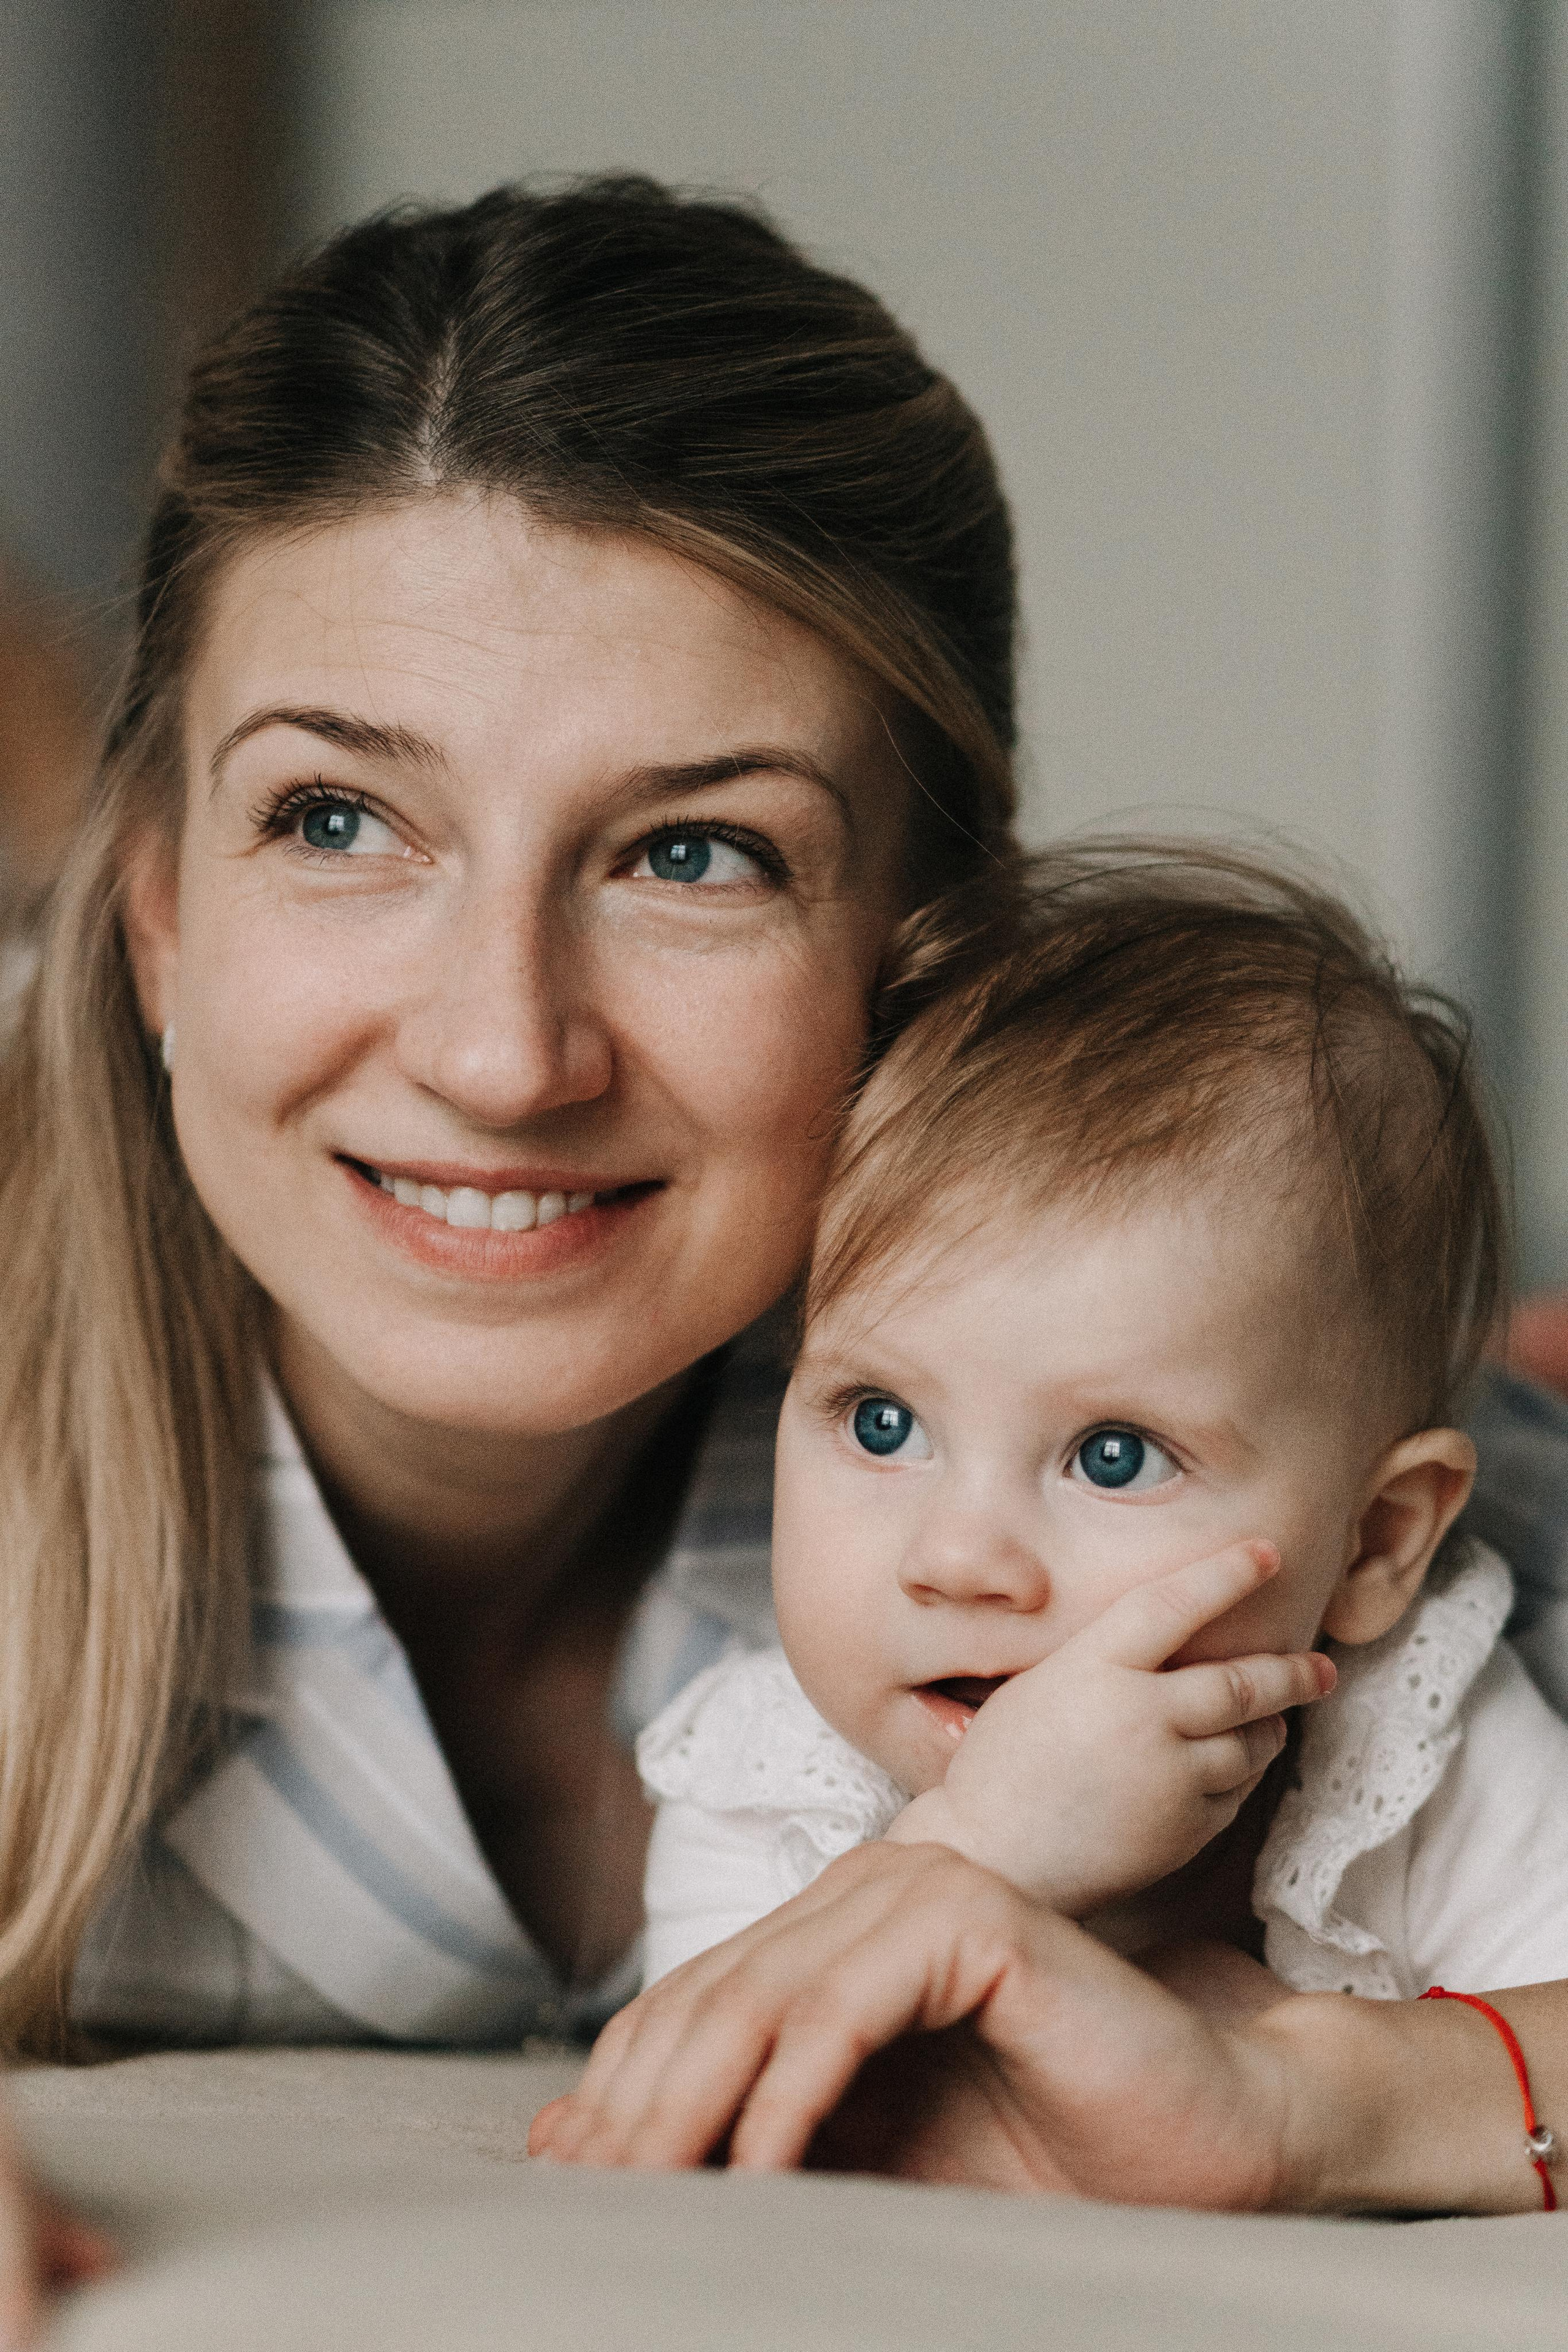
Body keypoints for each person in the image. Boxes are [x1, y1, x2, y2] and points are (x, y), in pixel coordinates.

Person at [0, 171, 1566, 2340]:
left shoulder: (1102, 1415)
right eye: (338, 819)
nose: (498, 1048)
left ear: (936, 968)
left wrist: (1330, 2102)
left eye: (697, 853)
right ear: (162, 907)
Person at [532, 851, 1568, 2211]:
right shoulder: (772, 1777)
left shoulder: (1420, 1744)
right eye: (880, 1422)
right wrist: (972, 1851)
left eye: (1112, 1456)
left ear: (1373, 1545)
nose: (958, 1560)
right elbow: (725, 2113)